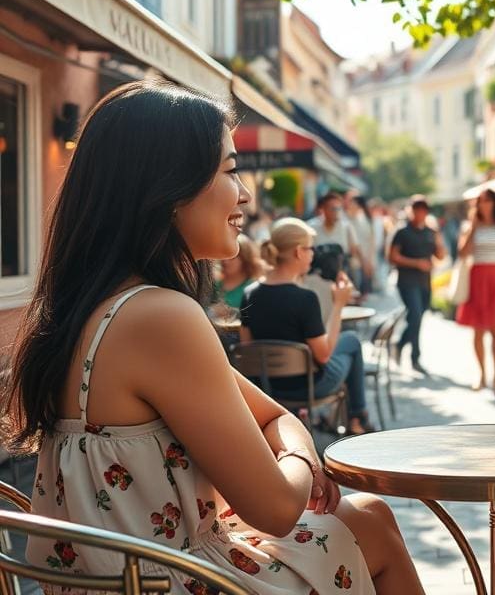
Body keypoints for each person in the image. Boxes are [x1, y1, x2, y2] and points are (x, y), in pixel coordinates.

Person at [1, 81, 424, 595]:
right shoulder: (160, 317)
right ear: (169, 189)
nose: (244, 193)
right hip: (173, 581)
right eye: (229, 170)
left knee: (367, 518)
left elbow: (276, 416)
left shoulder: (85, 311)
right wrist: (303, 460)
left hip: (121, 577)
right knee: (372, 519)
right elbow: (275, 507)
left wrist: (295, 451)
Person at [241, 217, 374, 436]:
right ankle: (357, 416)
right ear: (298, 252)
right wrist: (338, 305)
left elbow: (247, 348)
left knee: (348, 341)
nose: (313, 254)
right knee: (351, 341)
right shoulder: (305, 299)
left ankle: (352, 418)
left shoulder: (249, 294)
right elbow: (323, 356)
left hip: (266, 386)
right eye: (310, 249)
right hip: (309, 386)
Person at [455, 189, 495, 390]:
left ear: (494, 203)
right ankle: (481, 375)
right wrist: (473, 227)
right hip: (478, 278)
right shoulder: (470, 225)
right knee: (478, 331)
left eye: (488, 201)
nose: (484, 204)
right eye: (481, 201)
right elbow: (462, 253)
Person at [389, 195, 446, 374]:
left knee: (418, 318)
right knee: (414, 316)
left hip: (425, 283)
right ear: (411, 210)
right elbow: (392, 257)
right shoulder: (402, 232)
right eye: (416, 209)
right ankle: (414, 357)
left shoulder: (430, 232)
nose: (420, 213)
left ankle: (400, 346)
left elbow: (441, 256)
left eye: (423, 210)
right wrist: (416, 263)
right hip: (407, 281)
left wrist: (438, 237)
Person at [307, 192, 364, 277]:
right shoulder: (311, 228)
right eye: (333, 209)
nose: (336, 212)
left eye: (339, 209)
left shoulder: (347, 227)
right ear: (324, 209)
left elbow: (354, 251)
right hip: (316, 278)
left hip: (341, 276)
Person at [213, 233, 265, 311]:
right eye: (223, 255)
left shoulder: (254, 289)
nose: (225, 261)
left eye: (232, 257)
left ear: (245, 258)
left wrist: (231, 313)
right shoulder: (212, 285)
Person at [345, 192, 376, 297]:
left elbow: (371, 243)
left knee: (361, 291)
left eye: (352, 202)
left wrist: (369, 261)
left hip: (363, 260)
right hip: (353, 260)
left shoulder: (364, 221)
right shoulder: (346, 220)